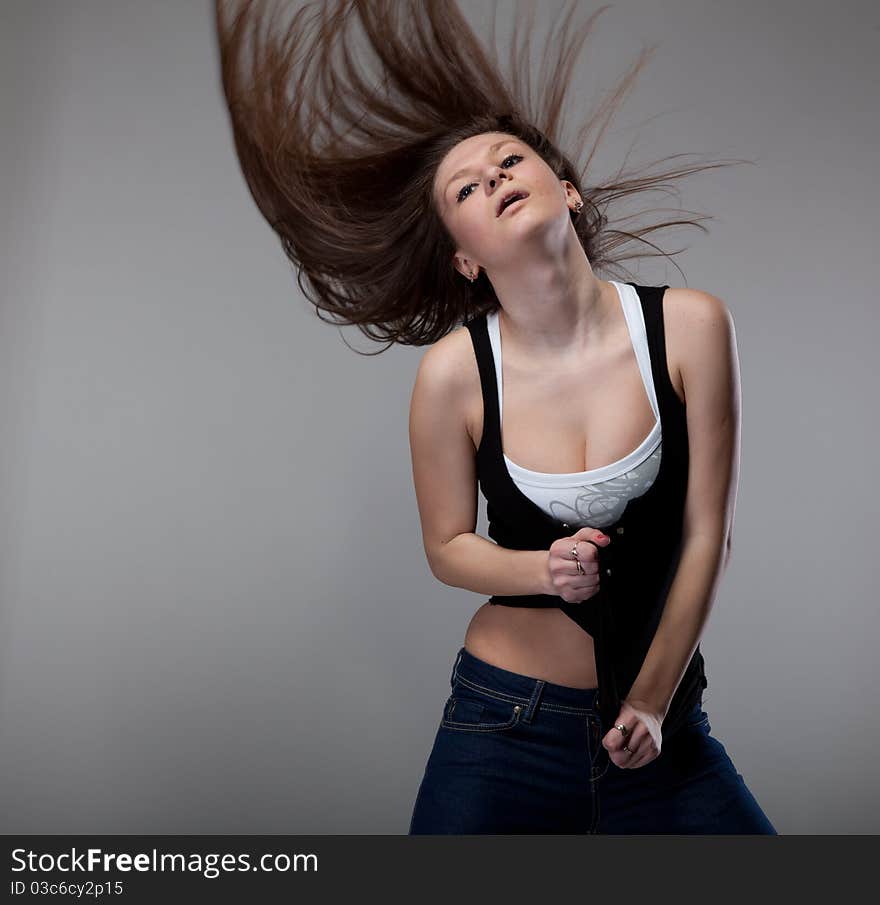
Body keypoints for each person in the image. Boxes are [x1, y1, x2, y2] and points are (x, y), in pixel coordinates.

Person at [214, 0, 777, 833]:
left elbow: (707, 535)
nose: (496, 179)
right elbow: (447, 547)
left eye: (511, 161)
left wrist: (654, 700)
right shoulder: (453, 374)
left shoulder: (691, 327)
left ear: (570, 188)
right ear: (465, 256)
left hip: (659, 726)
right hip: (504, 724)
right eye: (467, 188)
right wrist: (541, 571)